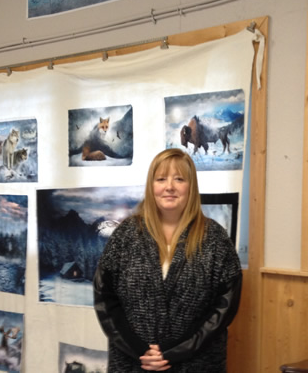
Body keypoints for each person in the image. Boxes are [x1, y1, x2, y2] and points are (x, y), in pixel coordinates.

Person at [94, 148, 242, 372]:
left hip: (195, 363)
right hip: (133, 362)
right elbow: (105, 298)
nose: (169, 186)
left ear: (190, 187)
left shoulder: (215, 238)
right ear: (151, 186)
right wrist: (138, 348)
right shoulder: (126, 235)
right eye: (161, 179)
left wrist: (176, 350)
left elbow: (224, 308)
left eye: (179, 179)